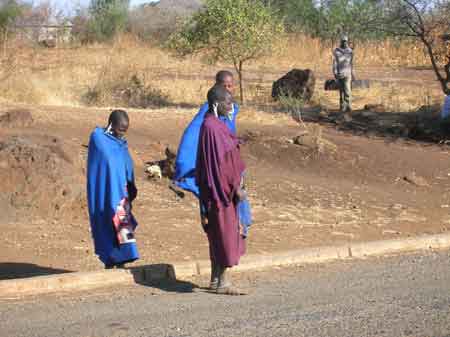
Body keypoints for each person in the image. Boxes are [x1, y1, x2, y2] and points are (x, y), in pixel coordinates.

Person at [196, 85, 247, 295]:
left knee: (219, 234)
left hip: (219, 191)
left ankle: (216, 280)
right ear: (216, 103)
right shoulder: (212, 128)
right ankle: (223, 282)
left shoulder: (214, 124)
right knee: (224, 235)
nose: (231, 105)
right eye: (227, 102)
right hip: (221, 192)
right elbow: (219, 165)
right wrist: (234, 188)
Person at [87, 109, 139, 269]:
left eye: (125, 130)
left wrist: (130, 185)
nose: (123, 133)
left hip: (120, 192)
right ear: (111, 124)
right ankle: (110, 260)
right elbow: (101, 165)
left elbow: (126, 165)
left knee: (122, 222)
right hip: (103, 191)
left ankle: (123, 259)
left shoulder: (121, 143)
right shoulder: (98, 138)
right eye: (120, 129)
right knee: (106, 222)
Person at [173, 70, 239, 197]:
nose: (227, 89)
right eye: (223, 86)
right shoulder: (210, 109)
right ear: (216, 86)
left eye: (230, 86)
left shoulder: (230, 107)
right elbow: (192, 134)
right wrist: (183, 164)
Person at [333, 35, 355, 113]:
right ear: (341, 42)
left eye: (345, 41)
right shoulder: (337, 51)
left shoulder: (350, 51)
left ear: (347, 42)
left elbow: (351, 63)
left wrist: (353, 74)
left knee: (347, 90)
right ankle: (342, 106)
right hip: (339, 73)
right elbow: (335, 63)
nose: (344, 43)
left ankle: (348, 106)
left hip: (347, 74)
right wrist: (335, 72)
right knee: (341, 91)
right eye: (343, 41)